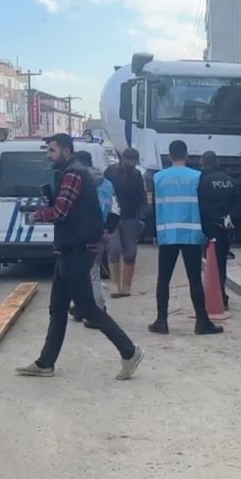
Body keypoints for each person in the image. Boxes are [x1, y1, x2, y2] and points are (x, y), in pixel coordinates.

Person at [15, 134, 145, 380]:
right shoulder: (70, 172)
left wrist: (37, 215)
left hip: (76, 251)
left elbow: (61, 210)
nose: (49, 155)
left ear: (65, 151)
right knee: (58, 308)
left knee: (88, 309)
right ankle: (46, 362)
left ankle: (129, 352)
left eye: (52, 151)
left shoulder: (73, 174)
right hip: (68, 249)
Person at [150, 140, 223, 335]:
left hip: (167, 233)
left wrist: (153, 233)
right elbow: (203, 207)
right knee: (194, 280)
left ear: (169, 155)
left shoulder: (158, 178)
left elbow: (154, 208)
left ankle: (161, 321)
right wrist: (209, 232)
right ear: (187, 155)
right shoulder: (197, 177)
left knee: (163, 279)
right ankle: (202, 322)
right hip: (191, 233)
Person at [69, 150, 112, 328]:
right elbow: (114, 207)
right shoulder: (107, 183)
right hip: (102, 231)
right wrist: (108, 229)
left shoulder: (79, 182)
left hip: (82, 232)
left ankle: (97, 311)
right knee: (89, 271)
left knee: (88, 273)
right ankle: (82, 308)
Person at [197, 151, 240, 310]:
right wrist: (228, 218)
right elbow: (239, 201)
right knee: (221, 263)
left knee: (209, 264)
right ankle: (221, 295)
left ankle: (215, 296)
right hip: (225, 228)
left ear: (203, 162)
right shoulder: (230, 180)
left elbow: (202, 206)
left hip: (208, 228)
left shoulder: (201, 181)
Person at [107, 147, 147, 298]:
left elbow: (142, 197)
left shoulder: (137, 175)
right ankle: (114, 286)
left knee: (130, 253)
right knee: (114, 249)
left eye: (134, 161)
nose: (131, 164)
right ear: (122, 158)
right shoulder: (110, 172)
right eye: (128, 160)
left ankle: (126, 287)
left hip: (131, 217)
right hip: (112, 217)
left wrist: (142, 216)